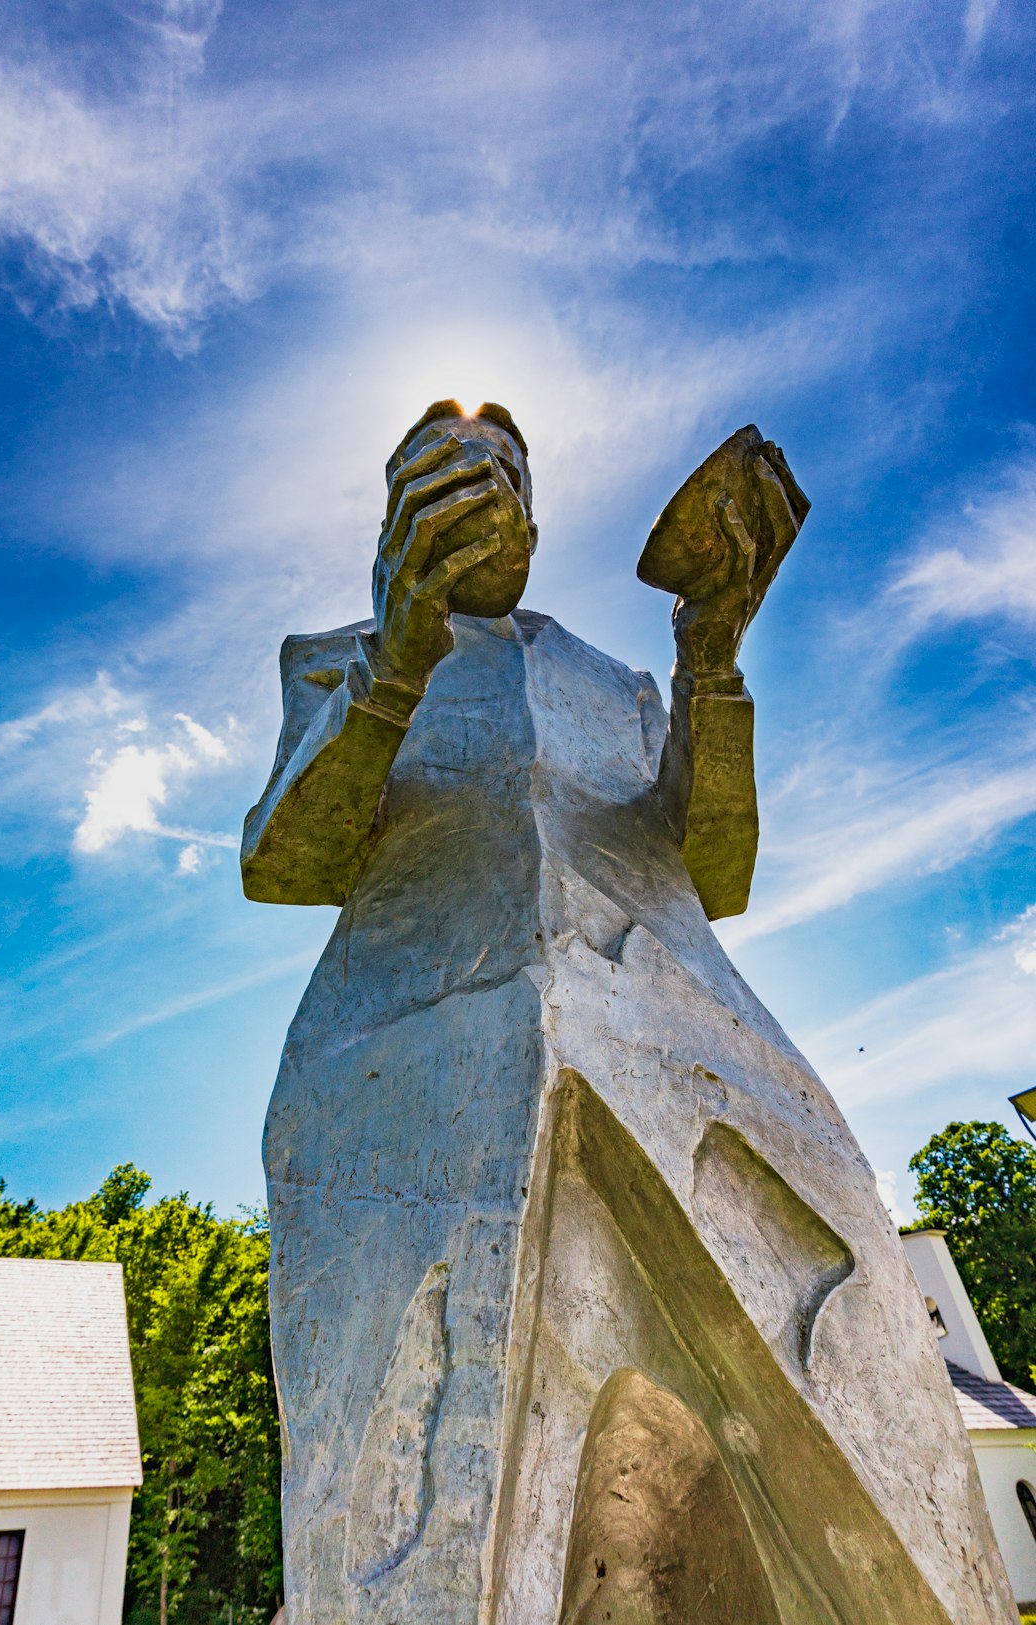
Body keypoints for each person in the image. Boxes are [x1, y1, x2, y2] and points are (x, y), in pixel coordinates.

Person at [242, 403, 1012, 1624]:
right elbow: (283, 853)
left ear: (539, 513)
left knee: (853, 1454)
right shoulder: (335, 653)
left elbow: (717, 864)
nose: (485, 484)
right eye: (448, 469)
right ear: (393, 518)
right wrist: (398, 657)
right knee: (439, 1509)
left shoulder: (616, 679)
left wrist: (713, 651)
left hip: (679, 1042)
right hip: (420, 1061)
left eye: (507, 467)